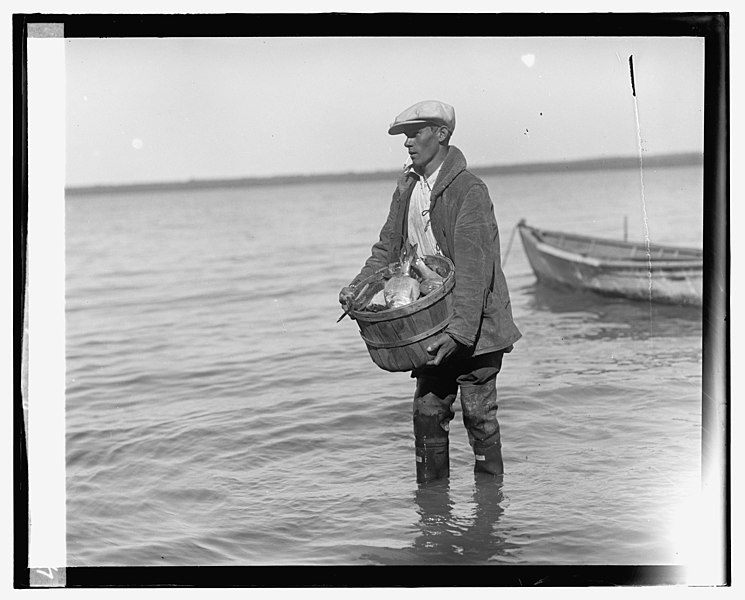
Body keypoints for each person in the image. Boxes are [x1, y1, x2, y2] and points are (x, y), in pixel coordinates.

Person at [339, 100, 521, 483]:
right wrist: (358, 288)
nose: (407, 143)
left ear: (441, 135)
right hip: (429, 325)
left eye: (415, 133)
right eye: (405, 135)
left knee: (479, 417)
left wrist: (458, 334)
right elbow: (387, 250)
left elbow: (474, 271)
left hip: (477, 330)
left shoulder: (470, 190)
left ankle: (489, 514)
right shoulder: (407, 187)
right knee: (427, 413)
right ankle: (433, 511)